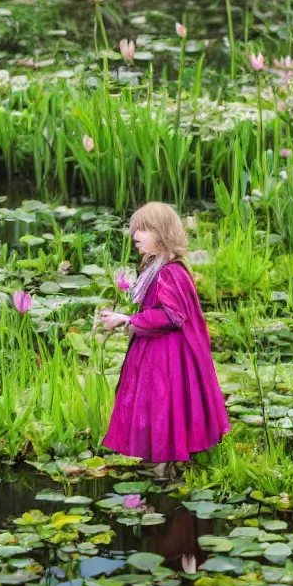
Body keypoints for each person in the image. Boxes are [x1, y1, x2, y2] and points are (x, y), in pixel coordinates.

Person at [99, 202, 230, 477]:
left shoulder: (170, 272)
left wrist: (128, 320)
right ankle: (160, 461)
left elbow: (173, 316)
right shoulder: (158, 267)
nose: (136, 235)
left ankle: (165, 465)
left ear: (162, 234)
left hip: (168, 355)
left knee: (163, 403)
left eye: (144, 230)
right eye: (136, 229)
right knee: (156, 404)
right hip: (157, 350)